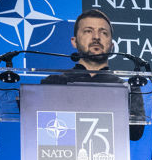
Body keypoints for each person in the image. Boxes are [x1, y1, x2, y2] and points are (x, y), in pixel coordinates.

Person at [41, 9, 145, 140]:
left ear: (112, 45)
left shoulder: (126, 88)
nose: (96, 37)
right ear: (74, 41)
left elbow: (136, 133)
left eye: (103, 33)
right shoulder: (52, 83)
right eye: (88, 31)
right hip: (61, 155)